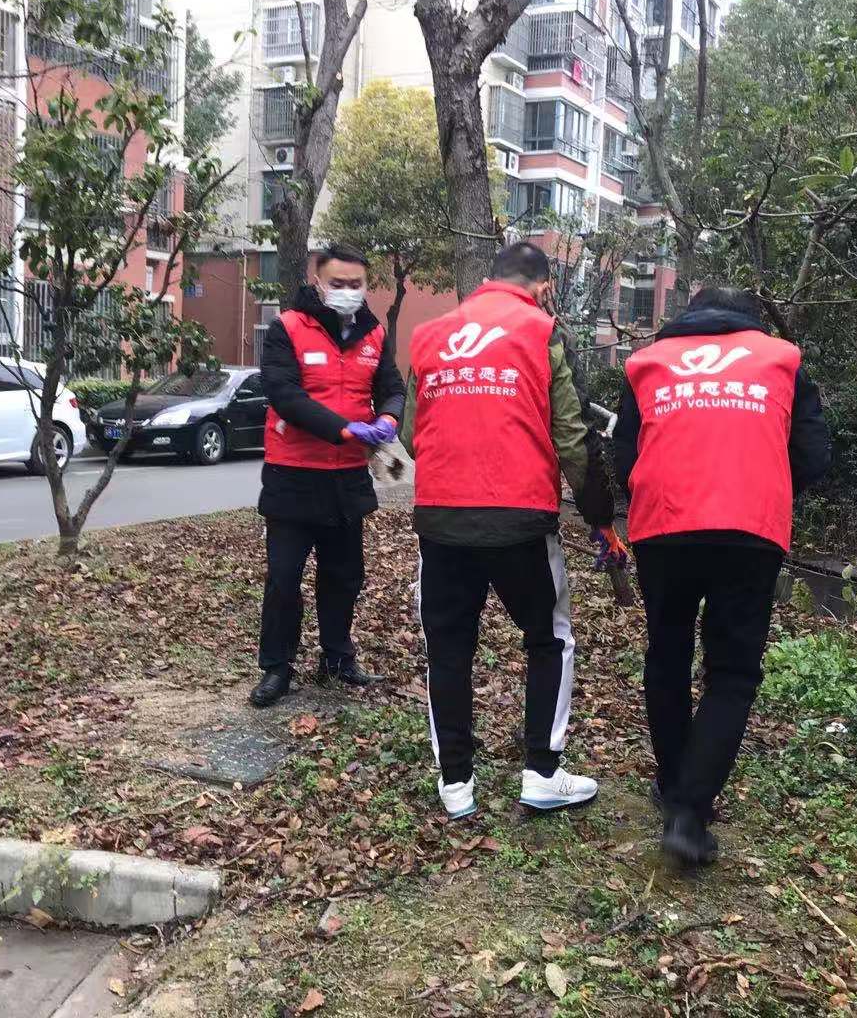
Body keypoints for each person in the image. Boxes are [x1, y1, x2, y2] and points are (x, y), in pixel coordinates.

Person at [613, 286, 831, 866]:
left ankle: (673, 786)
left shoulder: (648, 363)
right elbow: (814, 458)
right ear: (752, 322)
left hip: (663, 524)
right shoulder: (783, 360)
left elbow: (624, 456)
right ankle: (690, 812)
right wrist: (761, 480)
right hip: (750, 528)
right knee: (732, 672)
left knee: (667, 656)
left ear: (689, 318)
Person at [401, 242, 618, 820]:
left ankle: (456, 784)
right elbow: (572, 437)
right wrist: (600, 515)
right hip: (520, 520)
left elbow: (411, 434)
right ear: (543, 287)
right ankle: (542, 773)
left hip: (442, 520)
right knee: (549, 637)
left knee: (448, 648)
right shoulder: (542, 331)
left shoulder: (430, 334)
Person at [248, 243, 407, 708]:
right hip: (293, 475)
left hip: (348, 478)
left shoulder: (373, 333)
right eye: (337, 283)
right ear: (317, 281)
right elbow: (284, 395)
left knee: (344, 576)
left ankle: (337, 657)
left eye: (355, 284)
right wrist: (344, 428)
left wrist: (389, 418)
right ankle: (277, 668)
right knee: (284, 579)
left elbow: (392, 387)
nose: (347, 291)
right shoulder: (288, 328)